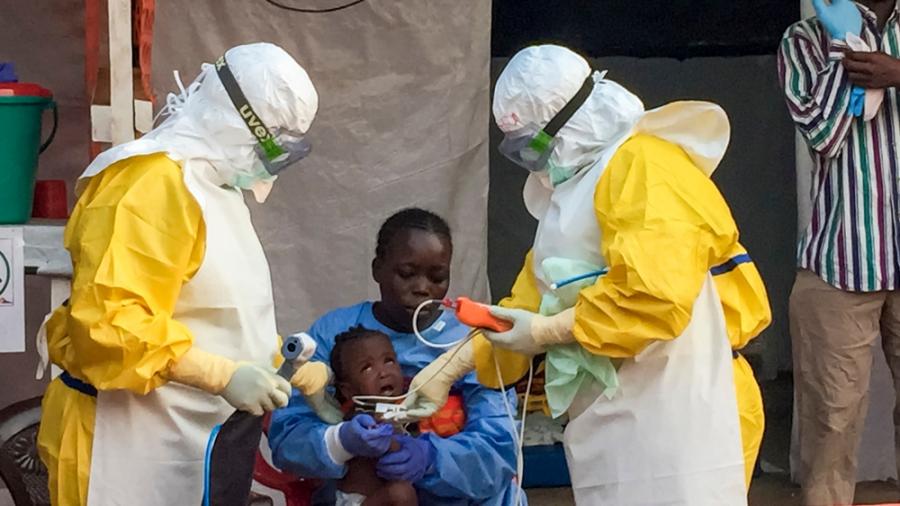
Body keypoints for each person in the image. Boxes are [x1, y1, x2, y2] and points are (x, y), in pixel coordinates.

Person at [403, 44, 772, 505]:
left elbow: (654, 297)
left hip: (692, 405)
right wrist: (448, 369)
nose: (531, 161)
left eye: (533, 145)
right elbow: (529, 302)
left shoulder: (646, 168)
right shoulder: (573, 193)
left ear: (572, 122)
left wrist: (548, 331)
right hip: (615, 414)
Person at [36, 43, 333, 506]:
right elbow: (112, 326)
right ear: (236, 123)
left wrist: (285, 364)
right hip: (120, 439)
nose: (271, 162)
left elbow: (210, 309)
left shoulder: (213, 185)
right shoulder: (147, 184)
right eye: (271, 144)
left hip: (189, 437)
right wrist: (221, 375)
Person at [269, 208, 525, 505]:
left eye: (438, 277)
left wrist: (431, 459)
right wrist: (340, 441)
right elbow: (287, 436)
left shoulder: (472, 341)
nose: (422, 288)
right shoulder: (333, 333)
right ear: (377, 268)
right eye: (406, 274)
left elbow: (500, 446)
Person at [778, 0, 900, 504]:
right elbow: (822, 136)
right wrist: (843, 55)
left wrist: (897, 73)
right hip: (840, 261)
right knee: (831, 422)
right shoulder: (803, 40)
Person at [329, 325, 417, 506]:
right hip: (358, 502)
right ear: (349, 390)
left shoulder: (400, 408)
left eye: (389, 361)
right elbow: (392, 449)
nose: (383, 373)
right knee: (400, 494)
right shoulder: (362, 420)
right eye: (367, 368)